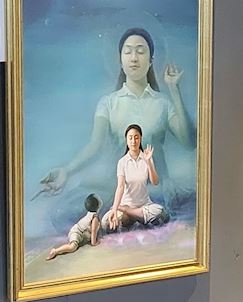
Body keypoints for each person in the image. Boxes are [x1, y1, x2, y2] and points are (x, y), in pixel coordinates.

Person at [40, 28, 195, 206]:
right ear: (120, 60)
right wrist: (66, 171)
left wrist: (174, 89)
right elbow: (95, 146)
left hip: (156, 192)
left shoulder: (163, 103)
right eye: (128, 52)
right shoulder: (108, 103)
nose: (134, 58)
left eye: (141, 51)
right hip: (119, 192)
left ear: (151, 60)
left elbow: (189, 143)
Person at [104, 124, 166, 230]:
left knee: (160, 212)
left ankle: (130, 213)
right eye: (130, 138)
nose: (133, 141)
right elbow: (120, 187)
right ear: (126, 140)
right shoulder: (122, 162)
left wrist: (148, 162)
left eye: (136, 137)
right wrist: (114, 209)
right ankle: (134, 216)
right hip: (126, 204)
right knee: (105, 222)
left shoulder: (147, 158)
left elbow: (155, 182)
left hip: (144, 206)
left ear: (140, 138)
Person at [46, 194, 101, 261]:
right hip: (76, 232)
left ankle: (56, 251)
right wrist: (94, 243)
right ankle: (55, 251)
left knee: (74, 246)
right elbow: (93, 231)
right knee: (72, 247)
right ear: (98, 206)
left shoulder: (90, 214)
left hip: (78, 232)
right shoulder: (94, 218)